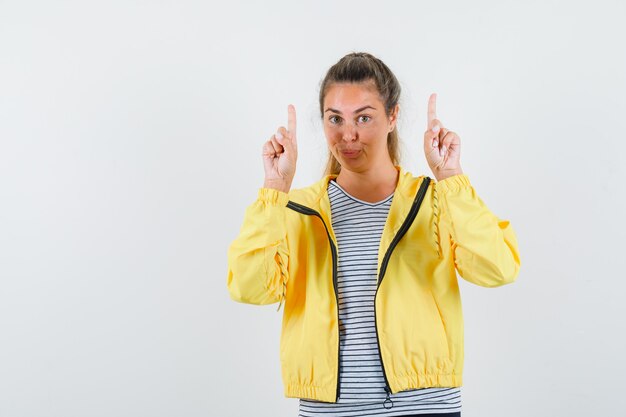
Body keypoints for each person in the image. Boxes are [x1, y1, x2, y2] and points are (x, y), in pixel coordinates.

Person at [226, 52, 521, 417]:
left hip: (425, 407)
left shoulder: (435, 199)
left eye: (364, 117)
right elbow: (250, 288)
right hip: (329, 410)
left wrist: (450, 178)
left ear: (392, 116)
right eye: (335, 119)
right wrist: (275, 187)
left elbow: (498, 268)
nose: (348, 135)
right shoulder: (295, 210)